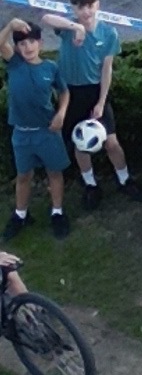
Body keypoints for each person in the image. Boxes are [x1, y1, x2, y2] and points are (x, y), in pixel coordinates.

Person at [47, 0, 142, 209]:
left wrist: (101, 101)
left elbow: (106, 69)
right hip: (70, 91)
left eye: (90, 6)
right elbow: (46, 18)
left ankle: (125, 179)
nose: (86, 12)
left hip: (94, 91)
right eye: (80, 8)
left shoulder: (109, 34)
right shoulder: (68, 28)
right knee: (80, 142)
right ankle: (90, 185)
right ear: (74, 9)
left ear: (97, 5)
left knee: (111, 142)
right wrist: (75, 26)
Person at [4, 18, 71, 240]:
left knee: (54, 172)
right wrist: (9, 27)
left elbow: (64, 92)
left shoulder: (50, 68)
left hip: (47, 131)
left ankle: (58, 212)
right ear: (17, 48)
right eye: (22, 44)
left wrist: (61, 113)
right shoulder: (14, 63)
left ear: (40, 44)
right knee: (23, 175)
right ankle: (21, 214)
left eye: (32, 42)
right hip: (22, 133)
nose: (28, 47)